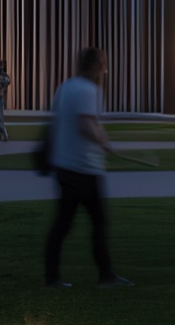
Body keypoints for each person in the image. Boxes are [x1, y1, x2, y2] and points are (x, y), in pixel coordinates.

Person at [44, 46, 132, 289]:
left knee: (63, 224)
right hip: (83, 168)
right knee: (97, 222)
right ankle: (105, 276)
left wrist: (102, 141)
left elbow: (83, 123)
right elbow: (86, 125)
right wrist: (105, 144)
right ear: (96, 66)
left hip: (65, 166)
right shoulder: (89, 90)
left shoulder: (66, 86)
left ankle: (52, 277)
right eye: (103, 63)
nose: (105, 68)